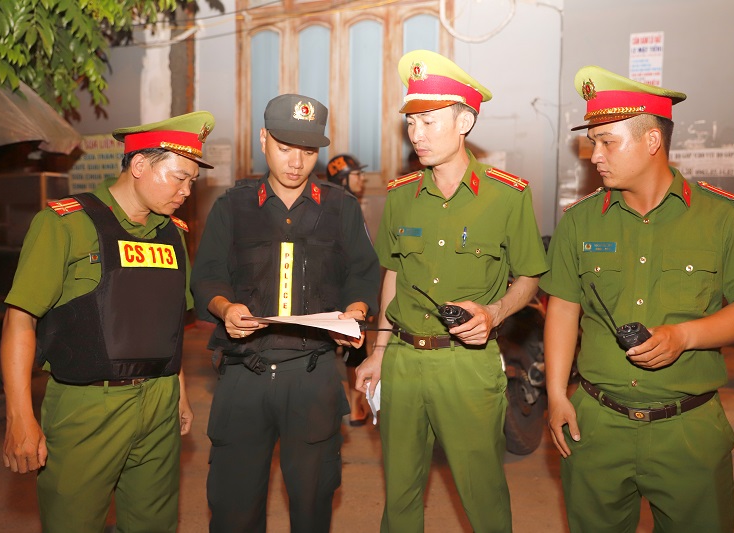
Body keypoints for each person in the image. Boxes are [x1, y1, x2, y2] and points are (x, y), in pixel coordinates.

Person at [541, 65, 734, 533]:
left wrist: (684, 336)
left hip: (687, 430)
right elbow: (564, 308)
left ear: (652, 141)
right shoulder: (581, 221)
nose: (595, 156)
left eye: (607, 142)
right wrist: (555, 394)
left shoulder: (722, 218)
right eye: (592, 142)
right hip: (597, 424)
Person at [355, 50, 548, 532]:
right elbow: (393, 275)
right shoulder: (401, 195)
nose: (416, 135)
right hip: (403, 360)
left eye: (428, 122)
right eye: (410, 123)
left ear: (464, 122)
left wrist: (494, 312)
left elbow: (529, 277)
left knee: (482, 493)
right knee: (399, 494)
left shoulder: (507, 195)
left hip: (467, 365)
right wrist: (379, 352)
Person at [1, 111, 215, 532]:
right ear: (139, 165)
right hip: (87, 406)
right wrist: (19, 415)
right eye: (179, 178)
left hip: (159, 401)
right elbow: (20, 320)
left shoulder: (172, 234)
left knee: (154, 524)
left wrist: (179, 391)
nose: (186, 192)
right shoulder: (66, 224)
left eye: (192, 181)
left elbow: (169, 322)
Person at [191, 94, 380, 533]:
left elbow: (362, 274)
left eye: (309, 151)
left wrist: (354, 312)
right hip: (245, 374)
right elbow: (208, 276)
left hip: (312, 375)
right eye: (285, 148)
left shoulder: (341, 208)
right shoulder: (232, 206)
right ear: (263, 140)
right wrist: (225, 307)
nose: (297, 162)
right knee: (234, 507)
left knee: (313, 504)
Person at [326, 153, 371, 425]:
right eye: (357, 174)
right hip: (345, 292)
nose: (362, 179)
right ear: (343, 178)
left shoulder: (326, 203)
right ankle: (355, 408)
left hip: (329, 291)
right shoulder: (347, 205)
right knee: (355, 349)